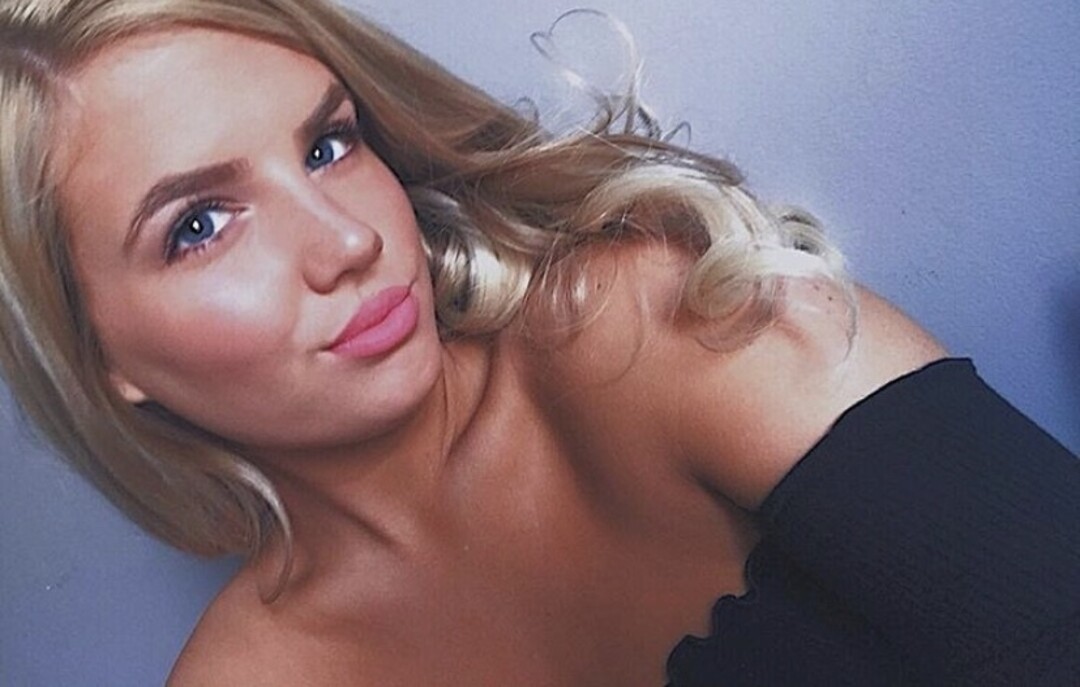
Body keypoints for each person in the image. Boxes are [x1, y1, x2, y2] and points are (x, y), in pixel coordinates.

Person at [0, 0, 1076, 685]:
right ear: (99, 358)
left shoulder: (652, 316)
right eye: (198, 225)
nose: (349, 240)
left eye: (328, 145)